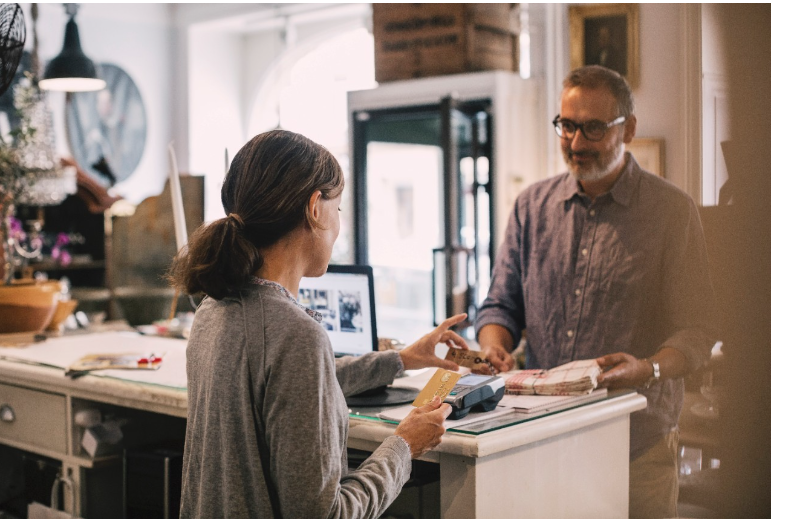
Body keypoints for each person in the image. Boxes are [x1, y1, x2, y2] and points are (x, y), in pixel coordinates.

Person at [172, 129, 468, 518]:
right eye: (339, 208)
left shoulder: (213, 307)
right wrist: (403, 446)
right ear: (315, 208)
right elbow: (326, 516)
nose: (339, 222)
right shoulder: (295, 334)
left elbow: (295, 388)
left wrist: (401, 359)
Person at [476, 65, 716, 518]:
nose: (575, 143)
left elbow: (699, 330)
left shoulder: (671, 211)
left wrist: (646, 368)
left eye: (592, 128)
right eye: (566, 126)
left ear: (628, 129)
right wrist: (493, 347)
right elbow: (500, 305)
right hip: (541, 436)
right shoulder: (532, 206)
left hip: (638, 446)